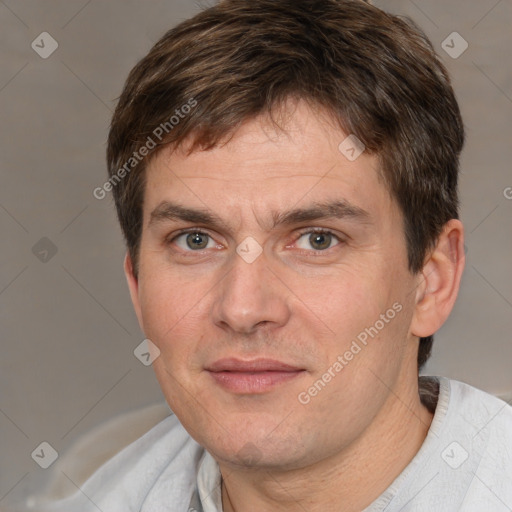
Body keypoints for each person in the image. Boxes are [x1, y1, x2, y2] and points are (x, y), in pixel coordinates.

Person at [14, 0, 512, 510]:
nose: (243, 309)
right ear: (137, 285)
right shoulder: (85, 492)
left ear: (432, 280)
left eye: (318, 239)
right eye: (196, 240)